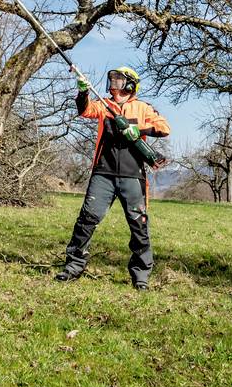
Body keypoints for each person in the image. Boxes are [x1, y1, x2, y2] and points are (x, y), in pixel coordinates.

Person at [54, 66, 171, 290]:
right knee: (87, 220)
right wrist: (83, 92)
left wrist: (138, 129)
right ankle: (73, 267)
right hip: (103, 173)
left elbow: (164, 128)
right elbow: (85, 110)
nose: (113, 82)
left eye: (118, 79)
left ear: (130, 83)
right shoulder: (103, 105)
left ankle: (141, 276)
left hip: (133, 175)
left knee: (139, 226)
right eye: (111, 78)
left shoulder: (143, 107)